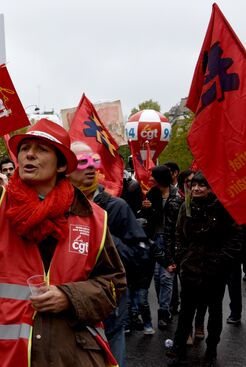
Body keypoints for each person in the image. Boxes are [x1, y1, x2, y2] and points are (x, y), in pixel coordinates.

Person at [0, 88, 126, 366]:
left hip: (68, 357)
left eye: (41, 149)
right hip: (2, 357)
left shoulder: (94, 218)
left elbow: (113, 283)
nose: (29, 155)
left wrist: (69, 296)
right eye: (25, 149)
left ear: (62, 165)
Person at [69, 141, 150, 366]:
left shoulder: (116, 207)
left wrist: (103, 238)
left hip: (109, 309)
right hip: (71, 309)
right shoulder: (58, 208)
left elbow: (140, 256)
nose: (90, 167)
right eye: (81, 162)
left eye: (94, 161)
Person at [167, 172, 242, 366]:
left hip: (215, 271)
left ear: (211, 188)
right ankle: (179, 350)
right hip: (190, 270)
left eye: (202, 185)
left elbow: (236, 237)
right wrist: (182, 257)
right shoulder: (187, 206)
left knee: (214, 312)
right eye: (193, 185)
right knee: (185, 313)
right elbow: (178, 235)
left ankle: (211, 350)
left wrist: (221, 260)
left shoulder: (223, 208)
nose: (196, 188)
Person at [138, 165, 182, 329]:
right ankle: (164, 308)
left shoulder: (177, 196)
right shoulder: (151, 194)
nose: (150, 179)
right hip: (154, 240)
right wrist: (146, 208)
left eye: (153, 176)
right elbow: (144, 218)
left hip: (170, 241)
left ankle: (164, 312)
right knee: (157, 278)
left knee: (167, 277)